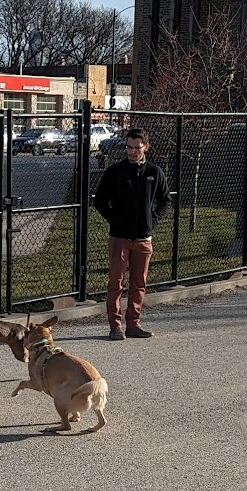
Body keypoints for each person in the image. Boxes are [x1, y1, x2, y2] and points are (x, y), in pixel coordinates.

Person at [92, 126, 171, 338]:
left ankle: (134, 324)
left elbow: (165, 201)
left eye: (137, 147)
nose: (132, 151)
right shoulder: (115, 172)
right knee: (116, 282)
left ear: (146, 147)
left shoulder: (154, 172)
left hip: (144, 239)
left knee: (139, 282)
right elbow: (99, 201)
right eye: (129, 147)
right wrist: (115, 220)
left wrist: (152, 221)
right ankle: (114, 326)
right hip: (119, 237)